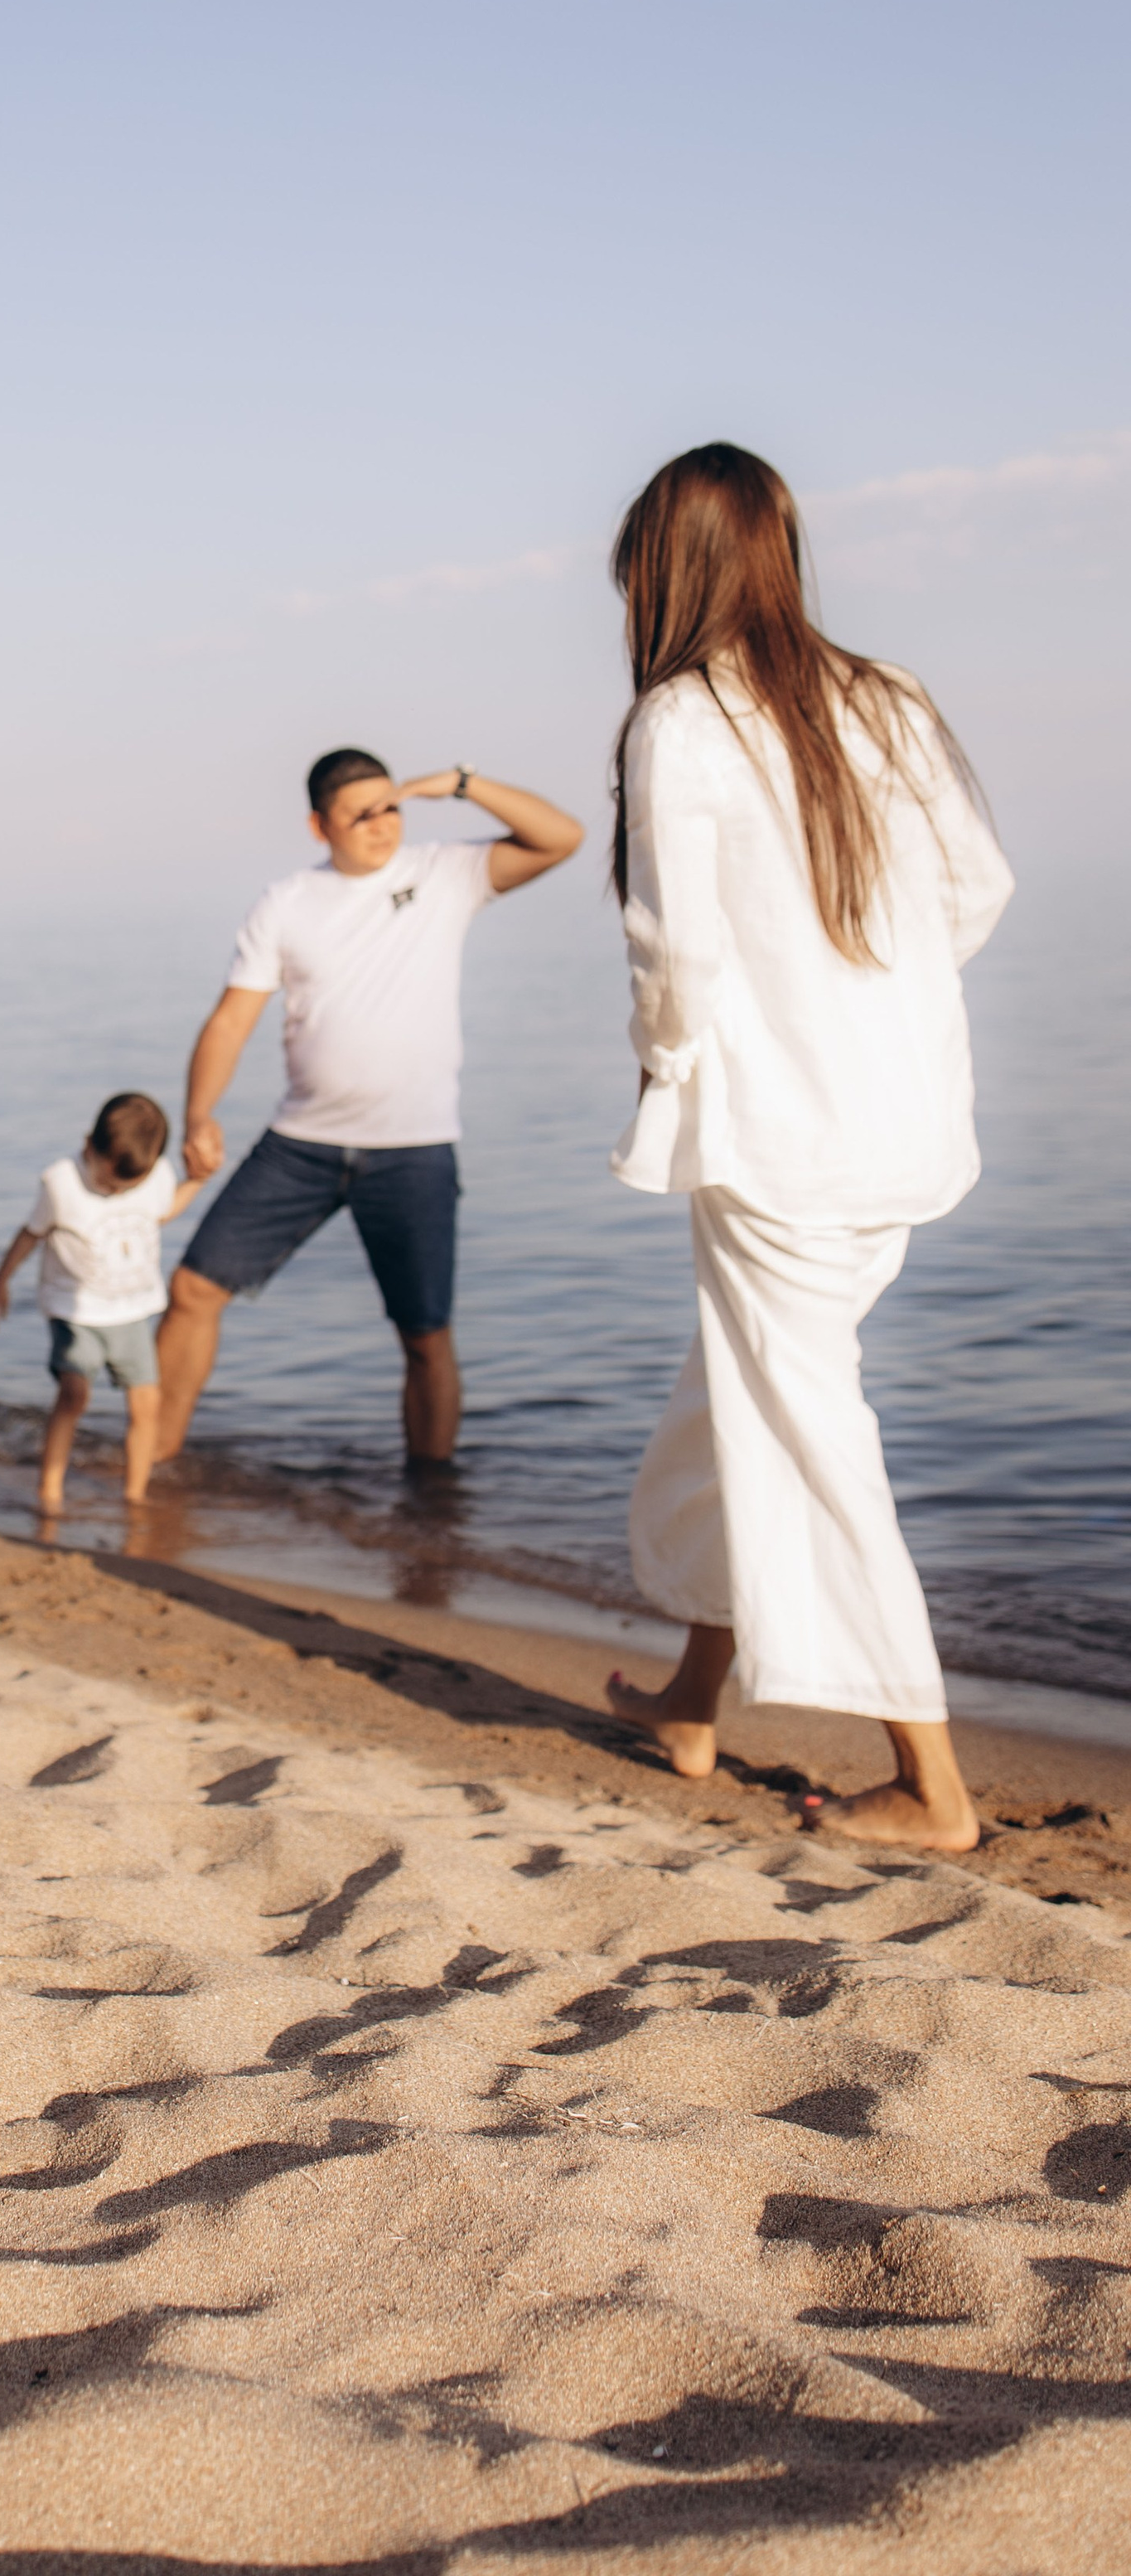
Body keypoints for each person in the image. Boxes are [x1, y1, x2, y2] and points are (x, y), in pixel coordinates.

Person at [602, 443, 1013, 1852]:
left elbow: (676, 951)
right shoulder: (885, 697)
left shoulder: (681, 719)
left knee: (804, 1424)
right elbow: (977, 890)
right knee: (743, 1394)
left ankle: (934, 1788)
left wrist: (674, 1070)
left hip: (780, 1131)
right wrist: (873, 997)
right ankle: (692, 1702)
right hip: (901, 1117)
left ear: (665, 566)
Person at [155, 749, 583, 1466]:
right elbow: (231, 1020)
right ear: (319, 825)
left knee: (425, 1335)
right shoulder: (287, 901)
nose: (382, 825)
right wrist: (199, 1115)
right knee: (194, 1289)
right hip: (301, 1145)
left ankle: (433, 1512)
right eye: (360, 814)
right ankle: (150, 1465)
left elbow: (559, 838)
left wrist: (463, 785)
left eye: (390, 808)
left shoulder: (444, 873)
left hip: (413, 1150)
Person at [0, 1091, 208, 1518]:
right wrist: (0, 1282)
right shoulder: (62, 1182)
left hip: (133, 1312)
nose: (115, 1191)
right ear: (89, 1146)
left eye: (128, 1186)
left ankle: (135, 1495)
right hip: (77, 1312)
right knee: (74, 1394)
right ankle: (50, 1489)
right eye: (108, 1183)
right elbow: (31, 1233)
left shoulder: (156, 1175)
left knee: (147, 1405)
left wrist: (195, 1182)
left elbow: (160, 1212)